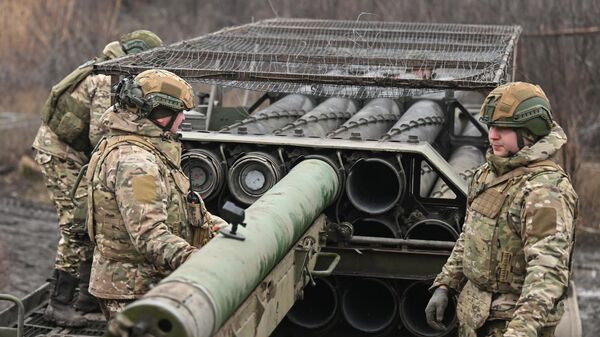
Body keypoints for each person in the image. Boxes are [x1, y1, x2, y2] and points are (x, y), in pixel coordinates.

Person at [425, 82, 578, 337]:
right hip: (475, 317)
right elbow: (471, 236)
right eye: (491, 126)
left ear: (530, 132)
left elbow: (547, 274)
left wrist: (519, 332)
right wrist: (445, 284)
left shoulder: (545, 191)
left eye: (503, 129)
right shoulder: (488, 174)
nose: (492, 135)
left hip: (513, 323)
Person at [32, 30, 163, 327]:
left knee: (94, 219)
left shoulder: (111, 69)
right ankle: (59, 303)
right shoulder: (107, 78)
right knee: (76, 225)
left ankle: (85, 298)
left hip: (75, 154)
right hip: (60, 154)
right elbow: (99, 134)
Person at [85, 69, 227, 320]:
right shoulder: (135, 162)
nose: (183, 118)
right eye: (179, 112)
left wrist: (220, 230)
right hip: (132, 290)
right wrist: (199, 263)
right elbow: (149, 235)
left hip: (146, 284)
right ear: (159, 114)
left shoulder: (148, 148)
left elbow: (181, 205)